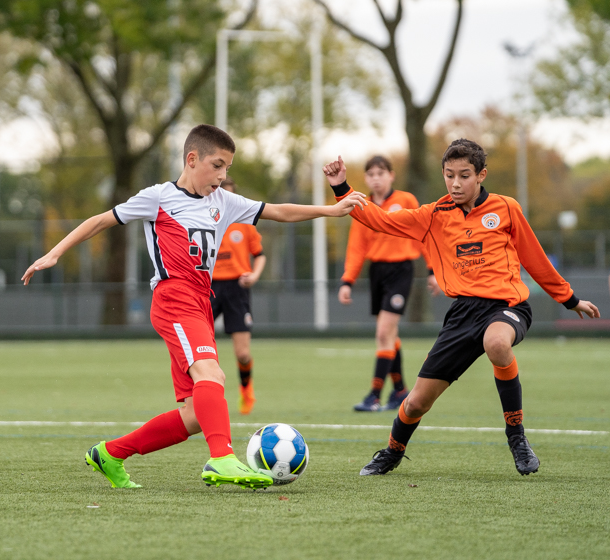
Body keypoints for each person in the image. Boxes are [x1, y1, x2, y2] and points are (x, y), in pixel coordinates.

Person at [21, 124, 365, 489]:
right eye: (217, 165)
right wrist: (54, 253)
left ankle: (110, 454)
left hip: (200, 303)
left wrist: (332, 211)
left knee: (195, 415)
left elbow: (278, 211)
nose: (222, 176)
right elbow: (100, 221)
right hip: (174, 298)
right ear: (192, 159)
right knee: (212, 376)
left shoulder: (224, 202)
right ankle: (221, 460)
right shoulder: (159, 197)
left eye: (227, 168)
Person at [323, 139, 600, 477]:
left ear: (481, 175)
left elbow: (534, 257)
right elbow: (378, 220)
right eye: (449, 175)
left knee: (496, 343)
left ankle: (517, 437)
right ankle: (393, 452)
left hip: (507, 307)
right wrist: (341, 186)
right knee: (416, 402)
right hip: (462, 315)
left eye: (464, 175)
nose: (456, 183)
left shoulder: (506, 208)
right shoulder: (433, 215)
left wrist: (568, 298)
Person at [338, 155, 439, 412]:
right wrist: (347, 280)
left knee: (383, 333)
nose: (376, 178)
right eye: (371, 174)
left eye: (381, 173)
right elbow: (357, 246)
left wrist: (432, 270)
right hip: (377, 272)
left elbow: (422, 235)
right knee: (389, 335)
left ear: (391, 175)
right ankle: (400, 392)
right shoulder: (362, 205)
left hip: (401, 271)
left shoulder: (406, 200)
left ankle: (374, 396)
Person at [210, 178, 266, 415]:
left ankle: (246, 390)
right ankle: (199, 399)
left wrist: (254, 275)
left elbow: (260, 255)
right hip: (207, 287)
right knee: (198, 349)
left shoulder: (245, 225)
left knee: (242, 353)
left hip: (237, 289)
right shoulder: (203, 220)